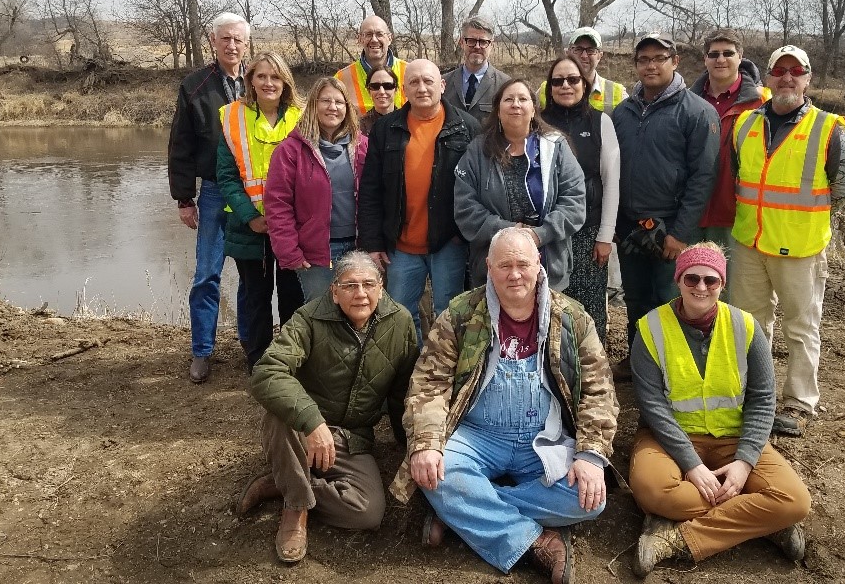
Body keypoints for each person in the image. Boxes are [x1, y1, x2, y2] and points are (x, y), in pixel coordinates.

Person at [390, 227, 618, 584]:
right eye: (505, 265)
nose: (515, 274)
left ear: (538, 264)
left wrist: (590, 454)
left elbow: (599, 391)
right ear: (488, 266)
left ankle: (462, 513)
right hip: (478, 435)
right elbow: (428, 384)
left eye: (523, 264)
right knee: (435, 469)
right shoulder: (461, 315)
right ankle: (536, 540)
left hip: (543, 438)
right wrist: (428, 444)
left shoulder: (572, 318)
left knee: (589, 497)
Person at [629, 242, 811, 577]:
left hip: (734, 438)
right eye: (692, 278)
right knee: (655, 491)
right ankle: (764, 520)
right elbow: (653, 406)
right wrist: (692, 465)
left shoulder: (746, 327)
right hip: (669, 440)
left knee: (795, 501)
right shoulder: (650, 328)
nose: (701, 287)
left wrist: (743, 464)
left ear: (722, 285)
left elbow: (762, 399)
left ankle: (677, 538)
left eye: (710, 281)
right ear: (679, 280)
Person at [239, 251, 419, 564]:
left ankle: (285, 483)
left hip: (352, 438)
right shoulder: (308, 318)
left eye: (368, 284)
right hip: (303, 432)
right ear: (334, 292)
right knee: (281, 414)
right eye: (350, 286)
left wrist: (412, 445)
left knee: (367, 513)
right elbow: (267, 372)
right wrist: (311, 421)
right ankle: (295, 509)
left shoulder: (401, 321)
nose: (360, 293)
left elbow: (404, 390)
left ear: (381, 287)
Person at [730, 45, 845, 437]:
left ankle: (800, 402)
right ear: (767, 78)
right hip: (749, 241)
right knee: (751, 326)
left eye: (796, 71)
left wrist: (805, 218)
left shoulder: (828, 128)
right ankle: (757, 395)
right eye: (779, 70)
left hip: (800, 248)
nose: (787, 77)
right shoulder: (745, 125)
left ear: (807, 79)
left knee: (802, 328)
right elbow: (740, 175)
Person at [611, 34, 719, 380]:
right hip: (630, 226)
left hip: (670, 227)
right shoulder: (622, 112)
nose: (651, 65)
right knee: (636, 299)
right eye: (644, 60)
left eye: (659, 58)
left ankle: (674, 370)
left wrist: (680, 234)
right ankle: (639, 360)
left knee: (670, 300)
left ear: (675, 61)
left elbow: (703, 178)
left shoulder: (697, 112)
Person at [357, 59, 480, 342]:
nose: (422, 87)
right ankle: (411, 371)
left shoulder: (467, 127)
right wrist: (373, 244)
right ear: (404, 89)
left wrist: (466, 236)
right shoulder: (386, 129)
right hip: (400, 246)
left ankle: (443, 372)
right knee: (400, 314)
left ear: (442, 85)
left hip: (449, 243)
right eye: (414, 82)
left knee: (449, 314)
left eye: (428, 81)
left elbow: (478, 188)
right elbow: (371, 190)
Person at [168, 11, 250, 384]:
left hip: (256, 191)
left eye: (238, 39)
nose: (232, 45)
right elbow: (180, 145)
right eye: (225, 39)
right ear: (213, 42)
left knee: (255, 273)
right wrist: (185, 198)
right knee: (207, 274)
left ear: (247, 44)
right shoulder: (195, 86)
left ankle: (256, 345)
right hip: (215, 190)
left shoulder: (261, 80)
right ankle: (202, 351)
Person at [216, 52, 304, 371]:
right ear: (250, 79)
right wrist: (250, 216)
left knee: (294, 298)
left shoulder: (301, 117)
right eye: (262, 76)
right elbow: (226, 176)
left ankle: (292, 361)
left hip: (292, 229)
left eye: (276, 77)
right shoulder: (232, 117)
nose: (269, 83)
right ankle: (259, 362)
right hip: (249, 228)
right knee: (256, 299)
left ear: (285, 82)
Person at [455, 78, 586, 293]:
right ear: (498, 110)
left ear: (533, 109)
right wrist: (509, 232)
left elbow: (575, 202)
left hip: (548, 264)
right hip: (494, 269)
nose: (516, 104)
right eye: (508, 99)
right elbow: (465, 208)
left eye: (523, 99)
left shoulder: (556, 147)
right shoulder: (477, 151)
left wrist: (539, 234)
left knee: (545, 324)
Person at [265, 76, 368, 302]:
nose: (333, 107)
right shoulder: (290, 151)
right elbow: (277, 206)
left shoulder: (362, 147)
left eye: (339, 102)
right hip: (317, 253)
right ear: (313, 105)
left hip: (359, 248)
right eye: (325, 101)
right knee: (323, 317)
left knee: (358, 313)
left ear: (347, 108)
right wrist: (289, 251)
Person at [539, 55, 619, 341]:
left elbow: (611, 182)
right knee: (549, 306)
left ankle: (589, 369)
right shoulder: (538, 122)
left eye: (572, 79)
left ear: (584, 84)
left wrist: (605, 236)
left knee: (588, 310)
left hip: (588, 233)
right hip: (549, 232)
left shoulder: (600, 123)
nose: (565, 86)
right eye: (557, 81)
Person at [688, 29, 768, 300]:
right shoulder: (688, 101)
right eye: (713, 54)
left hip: (736, 213)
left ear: (740, 56)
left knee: (730, 292)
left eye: (727, 53)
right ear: (705, 59)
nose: (720, 59)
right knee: (692, 288)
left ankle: (728, 341)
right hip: (692, 213)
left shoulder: (760, 103)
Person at [537, 27, 626, 115]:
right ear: (568, 53)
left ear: (600, 55)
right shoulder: (545, 90)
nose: (584, 56)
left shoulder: (618, 93)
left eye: (590, 50)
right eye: (578, 49)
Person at [442, 14, 512, 122]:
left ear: (491, 45)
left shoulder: (505, 85)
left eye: (483, 42)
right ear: (461, 42)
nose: (477, 47)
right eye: (471, 41)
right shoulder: (444, 83)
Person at [334, 15, 407, 114]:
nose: (374, 39)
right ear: (360, 39)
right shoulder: (341, 78)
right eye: (368, 34)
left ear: (389, 38)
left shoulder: (410, 73)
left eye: (379, 34)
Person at [358, 67, 397, 134]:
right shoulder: (359, 127)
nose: (381, 92)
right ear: (368, 91)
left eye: (388, 86)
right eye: (375, 86)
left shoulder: (408, 121)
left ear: (396, 89)